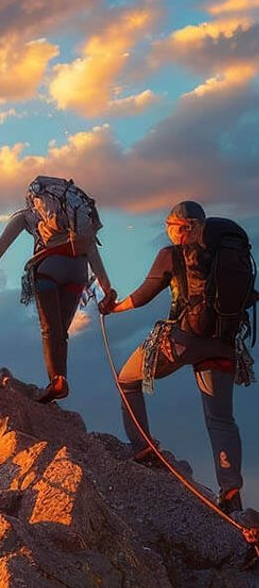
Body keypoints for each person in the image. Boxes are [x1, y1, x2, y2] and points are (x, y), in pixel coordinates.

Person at [101, 201, 254, 513]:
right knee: (221, 419)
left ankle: (143, 447)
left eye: (169, 225)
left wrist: (112, 309)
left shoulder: (171, 255)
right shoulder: (225, 257)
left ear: (183, 227)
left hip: (181, 340)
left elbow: (143, 296)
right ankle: (230, 488)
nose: (167, 230)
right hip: (224, 344)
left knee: (126, 381)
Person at [0, 176, 113, 403]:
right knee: (60, 331)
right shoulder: (75, 217)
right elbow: (91, 250)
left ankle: (57, 381)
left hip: (49, 268)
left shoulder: (25, 216)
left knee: (49, 328)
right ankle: (60, 378)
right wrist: (107, 288)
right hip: (78, 271)